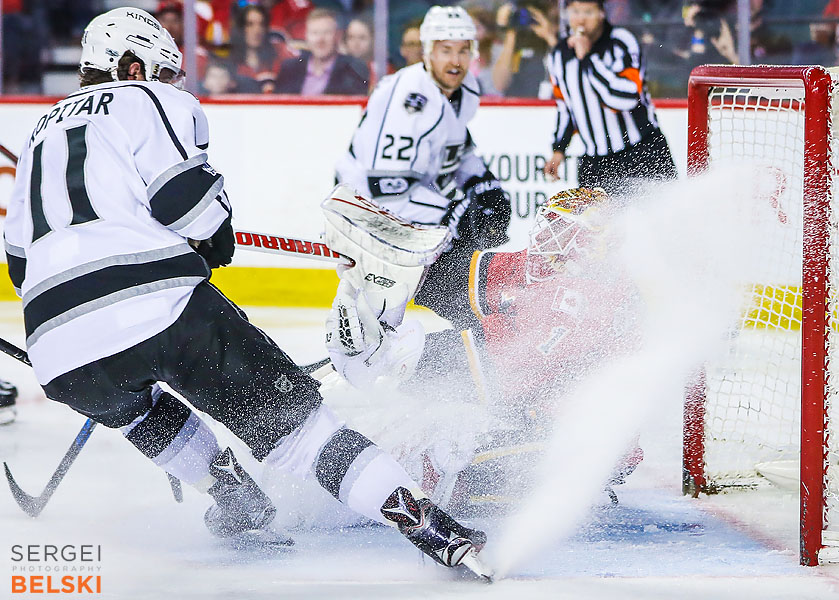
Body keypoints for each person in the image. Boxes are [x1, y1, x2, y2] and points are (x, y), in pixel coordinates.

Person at [3, 6, 488, 574]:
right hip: (161, 309)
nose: (170, 85)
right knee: (305, 438)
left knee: (138, 411)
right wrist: (211, 242)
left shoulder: (39, 133)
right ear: (131, 67)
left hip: (58, 352)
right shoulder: (147, 99)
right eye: (163, 72)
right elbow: (190, 206)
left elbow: (18, 266)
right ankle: (426, 524)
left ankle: (232, 493)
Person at [324, 187, 644, 512]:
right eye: (547, 224)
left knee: (439, 465)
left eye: (559, 229)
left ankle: (577, 489)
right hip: (528, 412)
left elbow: (494, 371)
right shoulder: (546, 269)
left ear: (587, 244)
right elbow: (455, 281)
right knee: (428, 434)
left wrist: (396, 359)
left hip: (576, 443)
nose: (545, 236)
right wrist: (389, 264)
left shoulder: (587, 302)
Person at [333, 5, 512, 332]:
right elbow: (386, 192)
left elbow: (456, 144)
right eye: (445, 50)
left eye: (463, 50)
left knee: (465, 298)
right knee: (375, 325)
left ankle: (482, 347)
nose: (455, 61)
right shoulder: (408, 100)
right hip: (371, 219)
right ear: (427, 52)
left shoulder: (464, 87)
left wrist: (483, 183)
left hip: (418, 217)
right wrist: (451, 214)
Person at [543, 0, 677, 197]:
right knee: (597, 227)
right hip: (595, 165)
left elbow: (627, 98)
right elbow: (567, 107)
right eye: (575, 12)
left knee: (663, 219)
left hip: (641, 152)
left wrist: (588, 59)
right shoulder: (559, 56)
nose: (581, 19)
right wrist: (559, 150)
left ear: (601, 13)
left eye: (588, 12)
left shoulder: (621, 42)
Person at [275, 8, 369, 95]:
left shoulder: (354, 69)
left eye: (326, 32)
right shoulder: (290, 68)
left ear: (338, 35)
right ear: (306, 36)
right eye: (314, 33)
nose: (320, 39)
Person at [491, 1, 558, 97]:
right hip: (518, 106)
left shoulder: (556, 43)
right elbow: (500, 84)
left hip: (548, 105)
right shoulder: (513, 43)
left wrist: (548, 36)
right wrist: (511, 31)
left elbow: (566, 69)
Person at [229, 4, 296, 93]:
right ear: (241, 28)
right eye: (250, 24)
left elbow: (298, 69)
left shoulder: (280, 49)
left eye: (261, 24)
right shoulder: (229, 57)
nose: (257, 30)